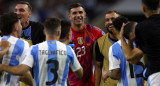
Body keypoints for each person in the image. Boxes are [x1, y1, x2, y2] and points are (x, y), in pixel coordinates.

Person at [0, 18, 83, 86]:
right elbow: (80, 74)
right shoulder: (68, 50)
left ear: (44, 32)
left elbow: (22, 70)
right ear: (59, 32)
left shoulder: (34, 49)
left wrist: (3, 67)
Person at [120, 0, 160, 85]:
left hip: (156, 76)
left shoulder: (142, 27)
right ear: (159, 5)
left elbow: (130, 57)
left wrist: (121, 37)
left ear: (143, 7)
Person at [68, 3, 105, 86]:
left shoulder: (94, 32)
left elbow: (109, 42)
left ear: (85, 14)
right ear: (69, 16)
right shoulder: (65, 34)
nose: (78, 15)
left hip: (89, 83)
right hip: (69, 83)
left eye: (80, 12)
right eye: (74, 13)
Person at [102, 16, 144, 86]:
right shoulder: (141, 43)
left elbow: (116, 75)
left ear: (114, 31)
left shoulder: (114, 48)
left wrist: (107, 73)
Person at [0, 12, 32, 86]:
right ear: (16, 27)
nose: (21, 26)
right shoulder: (22, 44)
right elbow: (25, 72)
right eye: (20, 24)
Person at [94, 10, 119, 86]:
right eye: (107, 20)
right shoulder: (100, 42)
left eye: (113, 19)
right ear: (105, 24)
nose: (110, 22)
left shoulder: (129, 41)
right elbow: (98, 67)